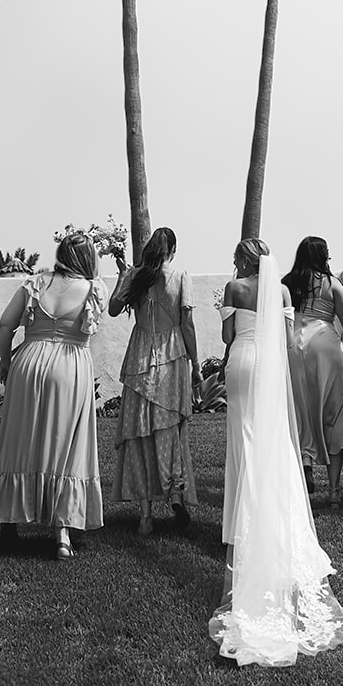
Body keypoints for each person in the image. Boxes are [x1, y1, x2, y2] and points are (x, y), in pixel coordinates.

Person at [209, 237, 343, 668]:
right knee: (272, 444)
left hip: (241, 361)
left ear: (243, 259)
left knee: (245, 442)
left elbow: (227, 334)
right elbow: (290, 336)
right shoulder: (284, 292)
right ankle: (268, 518)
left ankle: (241, 527)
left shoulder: (236, 288)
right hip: (270, 366)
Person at [0, 232, 106, 559]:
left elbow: (5, 326)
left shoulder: (34, 284)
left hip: (29, 363)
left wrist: (7, 366)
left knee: (21, 441)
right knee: (68, 445)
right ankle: (63, 533)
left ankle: (9, 523)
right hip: (70, 366)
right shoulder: (93, 288)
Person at [108, 225, 200, 535]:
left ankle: (145, 515)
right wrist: (196, 363)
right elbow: (187, 325)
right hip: (171, 357)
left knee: (139, 432)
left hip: (139, 358)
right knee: (169, 428)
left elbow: (113, 309)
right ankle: (175, 491)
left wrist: (123, 274)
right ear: (173, 250)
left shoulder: (136, 277)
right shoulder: (180, 278)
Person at [282, 236, 343, 506]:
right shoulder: (333, 285)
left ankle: (306, 461)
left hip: (294, 349)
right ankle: (334, 490)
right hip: (326, 346)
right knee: (335, 412)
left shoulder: (287, 283)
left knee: (300, 409)